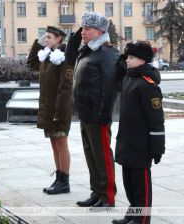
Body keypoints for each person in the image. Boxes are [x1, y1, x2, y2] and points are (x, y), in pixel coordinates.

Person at [112, 41, 165, 224]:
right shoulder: (129, 78)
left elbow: (156, 120)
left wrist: (158, 148)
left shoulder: (148, 85)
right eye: (127, 56)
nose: (127, 60)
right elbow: (118, 66)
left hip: (141, 145)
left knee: (141, 185)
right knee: (129, 183)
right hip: (127, 141)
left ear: (143, 60)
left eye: (131, 57)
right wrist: (121, 53)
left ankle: (142, 219)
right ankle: (133, 214)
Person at [71, 12, 120, 207]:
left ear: (100, 32)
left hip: (98, 114)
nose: (82, 32)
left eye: (86, 29)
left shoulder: (107, 53)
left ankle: (108, 196)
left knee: (102, 156)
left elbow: (109, 89)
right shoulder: (88, 51)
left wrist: (103, 114)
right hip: (86, 112)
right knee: (90, 154)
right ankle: (97, 192)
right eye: (82, 28)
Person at [27, 26, 74, 195]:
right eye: (45, 37)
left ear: (59, 39)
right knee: (54, 144)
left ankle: (65, 181)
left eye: (48, 37)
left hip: (59, 110)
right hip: (48, 109)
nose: (45, 39)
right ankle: (59, 178)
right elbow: (31, 63)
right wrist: (37, 44)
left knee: (61, 144)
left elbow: (65, 88)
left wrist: (58, 112)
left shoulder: (63, 58)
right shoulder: (47, 57)